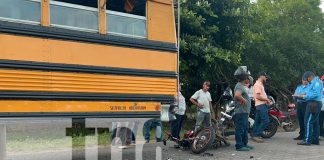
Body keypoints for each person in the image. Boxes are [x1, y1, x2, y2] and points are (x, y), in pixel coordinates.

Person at [296, 71, 323, 146]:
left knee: (308, 121)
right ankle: (315, 140)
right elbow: (312, 92)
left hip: (313, 103)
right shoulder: (315, 82)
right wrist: (306, 94)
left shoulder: (316, 83)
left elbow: (315, 94)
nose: (307, 81)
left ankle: (307, 140)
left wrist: (305, 96)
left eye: (307, 79)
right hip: (314, 103)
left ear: (310, 77)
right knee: (314, 122)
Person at [233, 72, 253, 151]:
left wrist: (243, 99)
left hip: (244, 112)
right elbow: (237, 95)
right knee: (240, 129)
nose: (249, 80)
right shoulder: (239, 86)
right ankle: (239, 145)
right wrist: (244, 100)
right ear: (245, 79)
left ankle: (244, 144)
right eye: (248, 78)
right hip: (241, 112)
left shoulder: (241, 86)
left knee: (245, 128)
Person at [251, 71, 272, 143]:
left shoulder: (259, 84)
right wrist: (267, 99)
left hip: (259, 105)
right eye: (265, 77)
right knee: (265, 120)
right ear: (261, 76)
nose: (266, 78)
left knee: (257, 121)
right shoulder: (258, 85)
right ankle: (257, 135)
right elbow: (257, 96)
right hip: (261, 105)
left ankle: (254, 134)